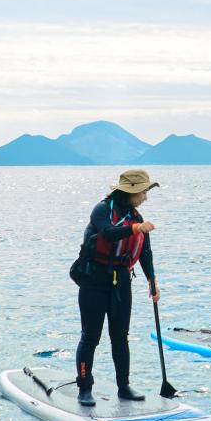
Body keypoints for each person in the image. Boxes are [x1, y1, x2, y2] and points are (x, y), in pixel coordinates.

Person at [74, 167, 161, 407]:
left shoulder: (137, 218)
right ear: (130, 192)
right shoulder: (102, 210)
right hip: (94, 281)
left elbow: (145, 253)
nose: (145, 197)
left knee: (120, 337)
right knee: (90, 337)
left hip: (121, 282)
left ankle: (123, 386)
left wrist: (152, 282)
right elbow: (109, 233)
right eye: (143, 192)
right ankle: (84, 388)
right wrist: (135, 228)